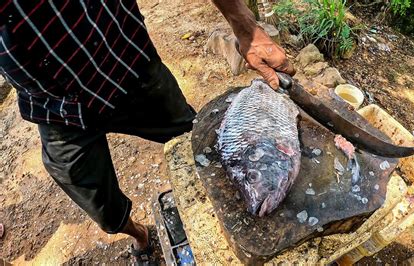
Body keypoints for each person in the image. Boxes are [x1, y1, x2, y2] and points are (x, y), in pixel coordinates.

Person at [0, 1, 295, 264]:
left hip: (127, 62)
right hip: (53, 108)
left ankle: (212, 216)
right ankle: (139, 234)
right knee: (104, 210)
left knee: (195, 144)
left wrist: (247, 28)